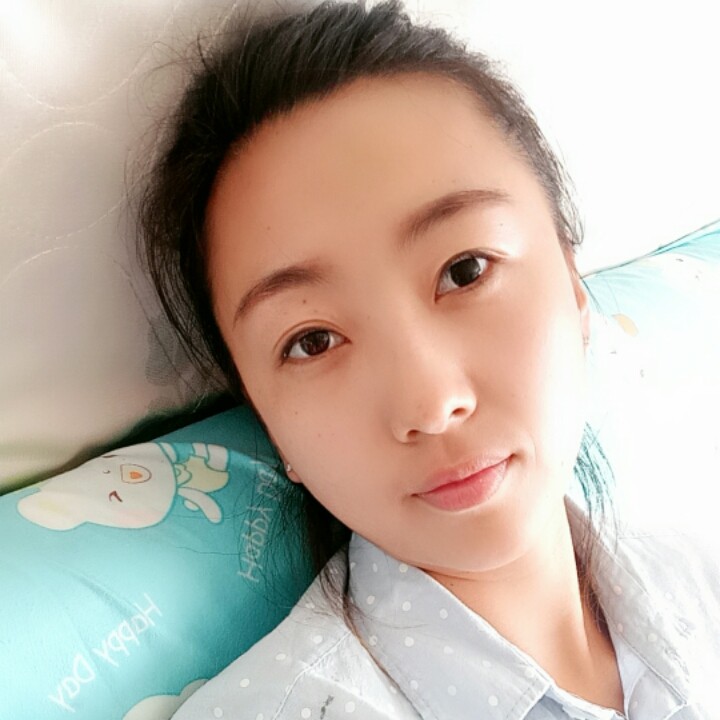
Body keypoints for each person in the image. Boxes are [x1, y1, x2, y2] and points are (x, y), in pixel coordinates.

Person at [138, 1, 719, 717]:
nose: (431, 403)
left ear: (573, 285)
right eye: (312, 340)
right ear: (269, 423)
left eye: (466, 270)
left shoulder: (701, 580)